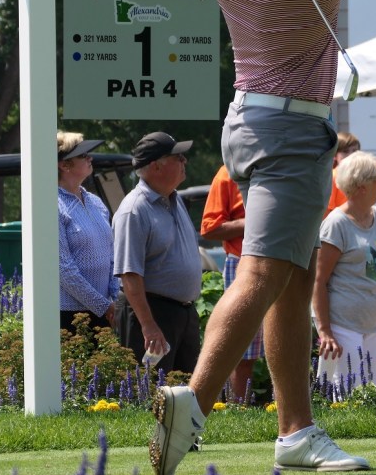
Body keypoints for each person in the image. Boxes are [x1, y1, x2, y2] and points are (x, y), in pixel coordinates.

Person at [131, 0, 368, 475]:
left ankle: (296, 431)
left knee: (292, 277)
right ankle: (192, 404)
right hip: (294, 134)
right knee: (264, 273)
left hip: (246, 122)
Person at [113, 132, 201, 375]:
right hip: (153, 314)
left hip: (183, 313)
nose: (184, 161)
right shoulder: (134, 210)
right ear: (156, 166)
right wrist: (149, 325)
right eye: (178, 157)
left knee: (186, 389)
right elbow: (130, 275)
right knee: (149, 388)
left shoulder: (174, 199)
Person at [313, 152, 376, 394]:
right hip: (343, 324)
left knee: (371, 394)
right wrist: (325, 331)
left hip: (375, 322)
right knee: (348, 396)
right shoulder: (336, 224)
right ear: (362, 186)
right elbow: (318, 281)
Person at [200, 165, 263, 402]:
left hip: (283, 261)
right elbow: (209, 228)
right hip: (242, 263)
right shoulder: (228, 173)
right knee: (242, 353)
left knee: (286, 347)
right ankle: (239, 410)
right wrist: (254, 222)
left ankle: (285, 413)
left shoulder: (284, 166)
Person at [57, 132, 119, 333]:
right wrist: (103, 306)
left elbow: (111, 254)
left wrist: (115, 298)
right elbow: (63, 269)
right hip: (70, 316)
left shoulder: (96, 202)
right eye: (83, 155)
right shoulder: (53, 205)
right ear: (64, 165)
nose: (90, 158)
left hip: (106, 312)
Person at [325, 132, 360, 218]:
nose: (351, 155)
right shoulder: (332, 176)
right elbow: (327, 211)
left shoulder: (360, 176)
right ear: (335, 155)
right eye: (345, 151)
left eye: (354, 151)